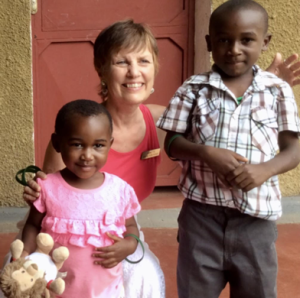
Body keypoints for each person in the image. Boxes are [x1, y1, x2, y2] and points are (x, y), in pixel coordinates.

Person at [9, 18, 300, 298]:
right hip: (61, 235)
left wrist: (260, 88)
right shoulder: (79, 129)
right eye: (122, 61)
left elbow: (223, 122)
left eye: (143, 61)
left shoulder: (165, 120)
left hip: (118, 232)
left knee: (144, 274)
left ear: (154, 69)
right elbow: (51, 204)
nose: (134, 72)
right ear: (101, 69)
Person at [156, 1, 300, 298]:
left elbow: (293, 149)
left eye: (246, 40)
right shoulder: (193, 89)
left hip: (255, 224)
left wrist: (265, 169)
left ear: (265, 41)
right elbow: (171, 143)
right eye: (223, 39)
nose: (234, 48)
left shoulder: (277, 90)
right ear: (209, 42)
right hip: (201, 219)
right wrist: (205, 152)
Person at [21, 99, 141, 298]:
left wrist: (129, 245)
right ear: (58, 143)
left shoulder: (119, 190)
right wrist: (25, 254)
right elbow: (33, 225)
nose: (87, 155)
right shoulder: (47, 187)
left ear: (110, 144)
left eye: (98, 145)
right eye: (77, 144)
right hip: (54, 287)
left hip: (106, 290)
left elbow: (131, 228)